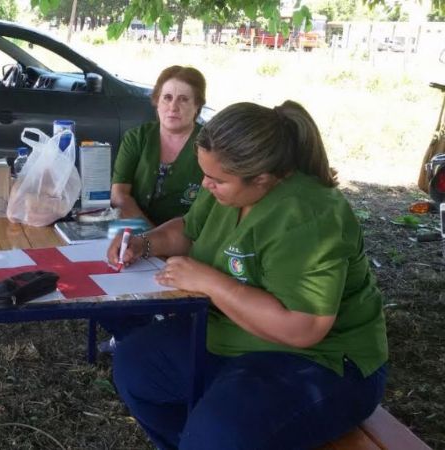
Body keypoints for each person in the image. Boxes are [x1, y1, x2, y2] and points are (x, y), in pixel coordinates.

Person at [106, 100, 388, 449]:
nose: (206, 184)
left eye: (216, 179)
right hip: (236, 334)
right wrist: (145, 243)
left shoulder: (308, 217)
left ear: (263, 178)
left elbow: (304, 328)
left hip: (321, 361)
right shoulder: (225, 188)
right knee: (136, 367)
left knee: (218, 432)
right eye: (205, 173)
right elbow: (191, 230)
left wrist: (209, 281)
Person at [111, 65, 207, 226]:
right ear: (156, 101)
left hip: (187, 237)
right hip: (134, 229)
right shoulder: (136, 138)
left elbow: (209, 209)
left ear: (197, 105)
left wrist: (164, 240)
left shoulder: (210, 144)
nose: (173, 107)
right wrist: (150, 234)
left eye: (183, 99)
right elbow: (119, 195)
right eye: (167, 97)